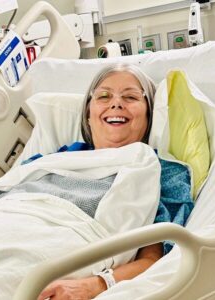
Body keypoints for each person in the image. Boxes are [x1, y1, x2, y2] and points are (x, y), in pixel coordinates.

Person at [37, 63, 163, 300]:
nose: (116, 103)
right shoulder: (52, 160)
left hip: (51, 257)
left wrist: (96, 284)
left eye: (130, 96)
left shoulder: (157, 171)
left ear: (150, 113)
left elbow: (155, 260)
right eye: (104, 96)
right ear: (88, 112)